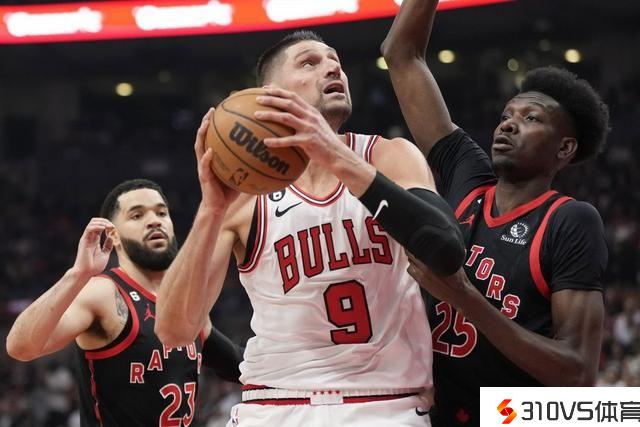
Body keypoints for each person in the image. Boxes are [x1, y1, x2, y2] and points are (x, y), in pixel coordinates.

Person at [155, 30, 465, 427]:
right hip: (272, 404)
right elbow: (174, 330)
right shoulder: (245, 197)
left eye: (335, 61)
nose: (333, 68)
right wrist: (211, 210)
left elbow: (446, 250)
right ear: (270, 95)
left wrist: (334, 154)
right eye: (309, 62)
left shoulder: (389, 157)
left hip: (384, 404)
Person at [381, 1, 610, 426]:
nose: (507, 124)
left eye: (531, 118)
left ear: (564, 148)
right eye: (506, 115)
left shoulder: (569, 220)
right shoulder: (468, 176)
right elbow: (401, 55)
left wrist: (463, 295)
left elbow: (578, 374)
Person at [6, 179, 243, 426]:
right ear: (114, 236)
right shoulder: (103, 293)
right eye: (137, 215)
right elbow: (20, 347)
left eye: (161, 212)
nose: (154, 220)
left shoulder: (185, 304)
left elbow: (240, 366)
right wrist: (77, 274)